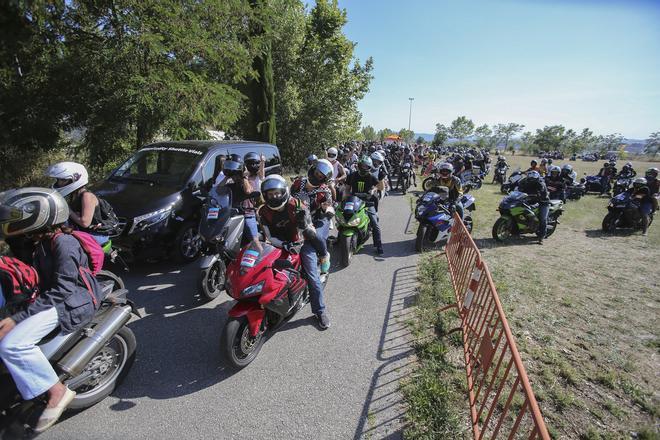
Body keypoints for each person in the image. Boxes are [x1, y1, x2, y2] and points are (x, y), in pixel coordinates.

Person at [0, 187, 103, 432]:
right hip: (51, 296)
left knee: (12, 344)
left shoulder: (64, 243)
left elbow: (63, 290)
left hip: (72, 301)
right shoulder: (35, 240)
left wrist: (17, 320)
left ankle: (57, 391)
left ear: (36, 217)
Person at [258, 175, 331, 329]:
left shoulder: (297, 204)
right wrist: (284, 245)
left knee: (313, 278)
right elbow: (269, 236)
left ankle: (320, 311)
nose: (274, 197)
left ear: (284, 191)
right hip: (280, 245)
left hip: (302, 242)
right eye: (270, 194)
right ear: (264, 195)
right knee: (264, 271)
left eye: (277, 193)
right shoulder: (263, 212)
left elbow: (308, 228)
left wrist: (303, 223)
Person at [45, 162, 110, 245]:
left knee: (61, 241)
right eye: (58, 180)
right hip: (84, 232)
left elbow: (85, 223)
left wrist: (67, 209)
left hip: (96, 235)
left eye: (63, 180)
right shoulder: (74, 195)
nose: (59, 183)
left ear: (75, 179)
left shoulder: (87, 196)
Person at [290, 160, 334, 275]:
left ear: (324, 179)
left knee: (313, 235)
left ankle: (324, 255)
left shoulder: (324, 191)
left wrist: (326, 209)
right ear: (312, 169)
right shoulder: (298, 183)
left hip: (313, 220)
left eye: (321, 176)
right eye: (317, 173)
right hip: (294, 217)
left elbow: (329, 206)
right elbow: (288, 196)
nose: (317, 176)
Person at [344, 156, 384, 255]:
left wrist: (380, 180)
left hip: (367, 202)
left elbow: (381, 187)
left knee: (375, 223)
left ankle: (378, 245)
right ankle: (340, 238)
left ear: (370, 167)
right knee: (344, 218)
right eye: (362, 165)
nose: (364, 168)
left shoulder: (371, 176)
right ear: (358, 165)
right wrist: (344, 199)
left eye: (366, 166)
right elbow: (347, 189)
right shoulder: (352, 175)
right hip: (354, 201)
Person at [517, 171, 550, 244]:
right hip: (531, 200)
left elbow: (541, 192)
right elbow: (519, 187)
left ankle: (541, 237)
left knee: (542, 219)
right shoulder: (525, 181)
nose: (531, 180)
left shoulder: (541, 183)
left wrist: (536, 195)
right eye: (530, 178)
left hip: (543, 202)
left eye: (533, 179)